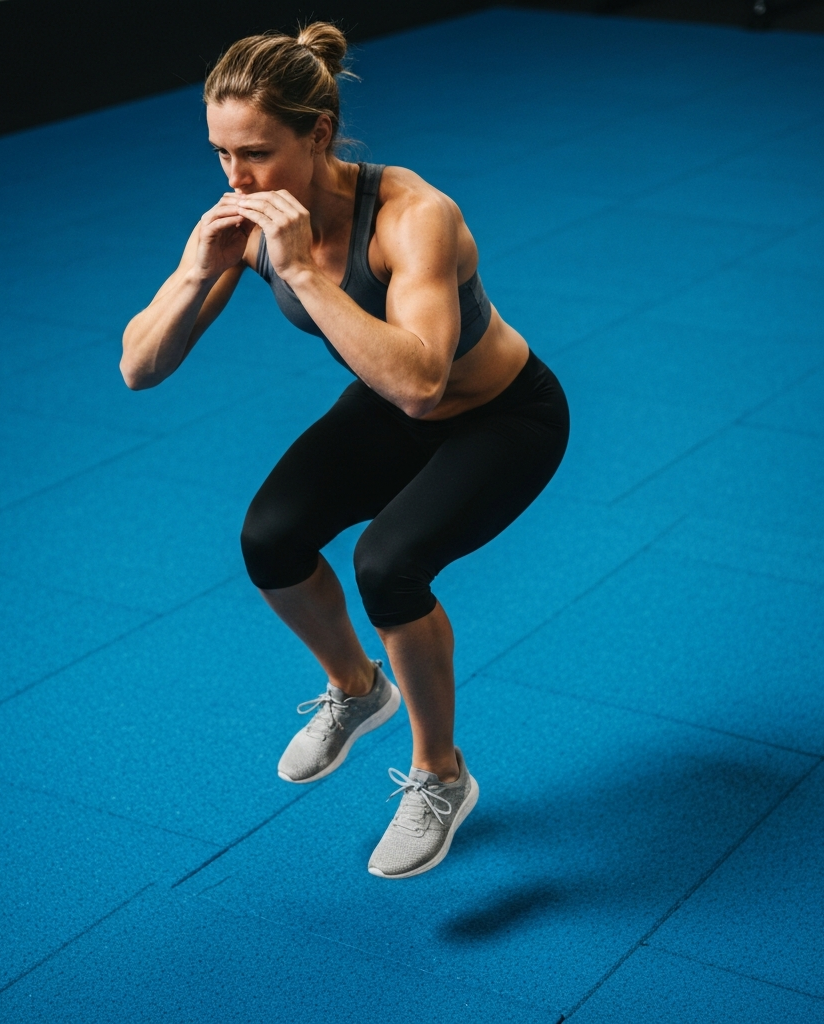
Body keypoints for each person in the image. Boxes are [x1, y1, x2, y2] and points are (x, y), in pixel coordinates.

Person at [121, 22, 569, 879]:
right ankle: (358, 688)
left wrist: (305, 276)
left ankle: (441, 774)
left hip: (504, 416)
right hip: (393, 404)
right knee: (270, 538)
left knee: (387, 564)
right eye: (219, 154)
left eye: (254, 152)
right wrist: (192, 271)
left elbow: (420, 382)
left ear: (317, 135)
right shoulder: (248, 223)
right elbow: (140, 369)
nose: (234, 177)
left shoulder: (414, 217)